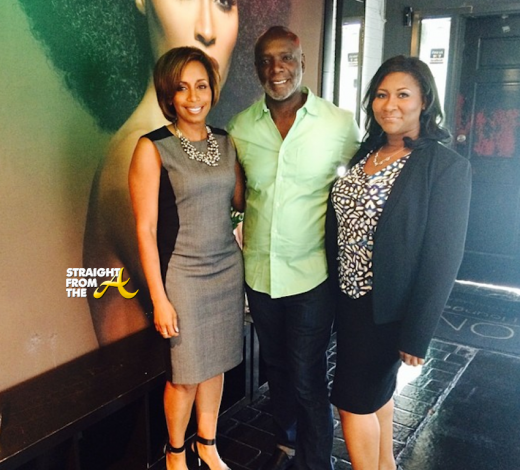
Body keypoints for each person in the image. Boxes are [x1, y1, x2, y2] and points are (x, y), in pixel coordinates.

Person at [326, 55, 472, 470]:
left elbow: (443, 257)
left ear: (424, 101)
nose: (390, 104)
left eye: (403, 95)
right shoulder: (366, 153)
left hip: (389, 309)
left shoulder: (445, 167)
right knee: (376, 394)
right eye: (381, 94)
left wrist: (417, 333)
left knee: (352, 402)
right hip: (351, 302)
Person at [227, 26, 360, 470]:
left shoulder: (338, 124)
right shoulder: (241, 127)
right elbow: (239, 196)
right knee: (277, 368)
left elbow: (365, 185)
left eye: (285, 58)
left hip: (312, 275)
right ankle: (285, 444)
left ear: (302, 62)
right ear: (256, 68)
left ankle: (316, 460)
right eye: (266, 60)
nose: (276, 69)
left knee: (306, 374)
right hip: (260, 274)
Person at [128, 46, 245, 470]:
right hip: (182, 276)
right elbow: (145, 230)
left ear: (213, 90)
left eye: (201, 86)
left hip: (227, 269)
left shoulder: (226, 142)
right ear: (168, 94)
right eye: (182, 88)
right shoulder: (152, 147)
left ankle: (207, 445)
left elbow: (240, 201)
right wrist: (159, 299)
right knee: (184, 374)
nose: (194, 97)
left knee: (215, 365)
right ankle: (175, 453)